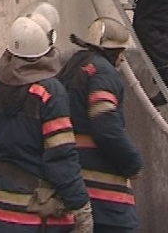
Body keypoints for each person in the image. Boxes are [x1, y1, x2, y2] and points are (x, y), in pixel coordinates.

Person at [0, 0, 93, 233]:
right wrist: (80, 206)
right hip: (38, 218)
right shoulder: (49, 93)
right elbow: (61, 157)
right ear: (47, 49)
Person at [58, 17, 143, 233]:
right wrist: (132, 162)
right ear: (111, 51)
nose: (122, 59)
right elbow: (106, 127)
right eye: (120, 52)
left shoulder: (73, 67)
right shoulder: (103, 72)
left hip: (73, 182)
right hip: (104, 196)